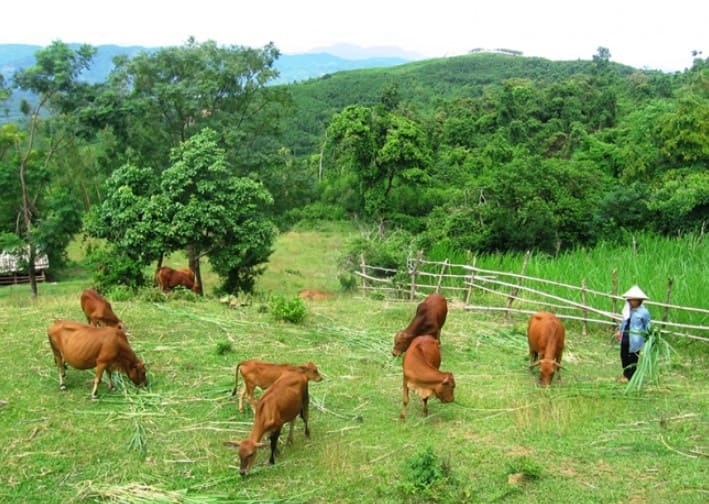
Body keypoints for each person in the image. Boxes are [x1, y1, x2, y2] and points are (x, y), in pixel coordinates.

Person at [616, 285, 652, 382]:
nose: (630, 302)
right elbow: (624, 322)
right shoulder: (627, 310)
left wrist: (648, 338)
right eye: (630, 300)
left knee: (632, 358)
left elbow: (647, 326)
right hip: (625, 336)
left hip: (635, 339)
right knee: (623, 355)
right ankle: (626, 373)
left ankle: (629, 376)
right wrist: (620, 331)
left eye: (633, 300)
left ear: (638, 300)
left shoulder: (644, 312)